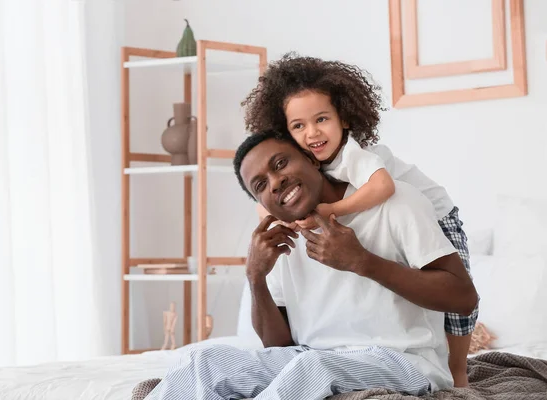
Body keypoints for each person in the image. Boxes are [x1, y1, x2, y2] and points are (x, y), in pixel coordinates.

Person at [146, 132, 478, 400]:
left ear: (310, 159)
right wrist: (255, 276)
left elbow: (464, 298)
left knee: (311, 367)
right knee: (205, 363)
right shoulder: (281, 241)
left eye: (280, 163)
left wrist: (362, 261)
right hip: (309, 357)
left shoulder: (396, 202)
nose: (274, 182)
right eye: (261, 186)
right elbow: (279, 349)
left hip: (406, 361)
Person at [241, 53, 478, 386]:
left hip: (439, 214)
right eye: (298, 126)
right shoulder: (303, 181)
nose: (312, 133)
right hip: (325, 359)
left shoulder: (362, 160)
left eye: (322, 119)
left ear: (345, 119)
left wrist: (333, 215)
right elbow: (266, 203)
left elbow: (382, 187)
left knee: (457, 319)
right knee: (206, 362)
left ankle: (458, 372)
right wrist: (268, 239)